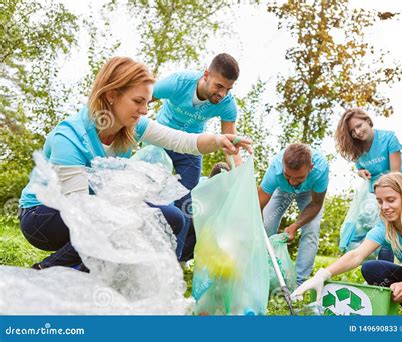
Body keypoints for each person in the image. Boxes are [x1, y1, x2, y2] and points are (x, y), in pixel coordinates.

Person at [18, 56, 251, 271]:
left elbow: (182, 140)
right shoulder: (70, 138)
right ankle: (45, 271)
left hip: (90, 211)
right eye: (138, 101)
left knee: (172, 217)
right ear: (112, 95)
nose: (145, 110)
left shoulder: (133, 125)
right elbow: (82, 213)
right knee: (123, 218)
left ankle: (88, 274)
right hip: (43, 216)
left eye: (148, 102)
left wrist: (219, 141)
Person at [292, 172, 402, 315]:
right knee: (371, 269)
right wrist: (323, 274)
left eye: (391, 200)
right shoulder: (385, 227)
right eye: (380, 201)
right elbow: (357, 255)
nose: (384, 206)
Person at [151, 53, 242, 260]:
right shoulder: (178, 82)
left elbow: (231, 142)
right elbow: (141, 98)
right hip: (160, 141)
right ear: (206, 75)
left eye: (228, 89)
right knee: (155, 195)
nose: (222, 94)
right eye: (219, 86)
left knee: (186, 206)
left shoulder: (227, 103)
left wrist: (242, 178)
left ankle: (173, 263)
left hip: (191, 148)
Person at [335, 107, 402, 262]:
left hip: (395, 188)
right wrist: (361, 172)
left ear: (368, 121)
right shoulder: (356, 147)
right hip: (371, 191)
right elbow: (360, 168)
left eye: (359, 126)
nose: (357, 132)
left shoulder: (389, 138)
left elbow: (397, 175)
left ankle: (386, 271)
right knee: (362, 227)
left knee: (386, 227)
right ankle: (371, 268)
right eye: (353, 131)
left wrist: (384, 202)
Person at [258, 143, 329, 285]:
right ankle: (262, 276)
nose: (292, 181)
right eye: (288, 175)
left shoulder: (321, 170)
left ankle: (299, 284)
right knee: (266, 225)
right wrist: (260, 229)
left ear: (311, 168)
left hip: (309, 192)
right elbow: (257, 205)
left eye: (299, 178)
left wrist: (295, 226)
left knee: (311, 229)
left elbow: (316, 204)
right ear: (283, 166)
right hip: (282, 190)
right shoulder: (275, 170)